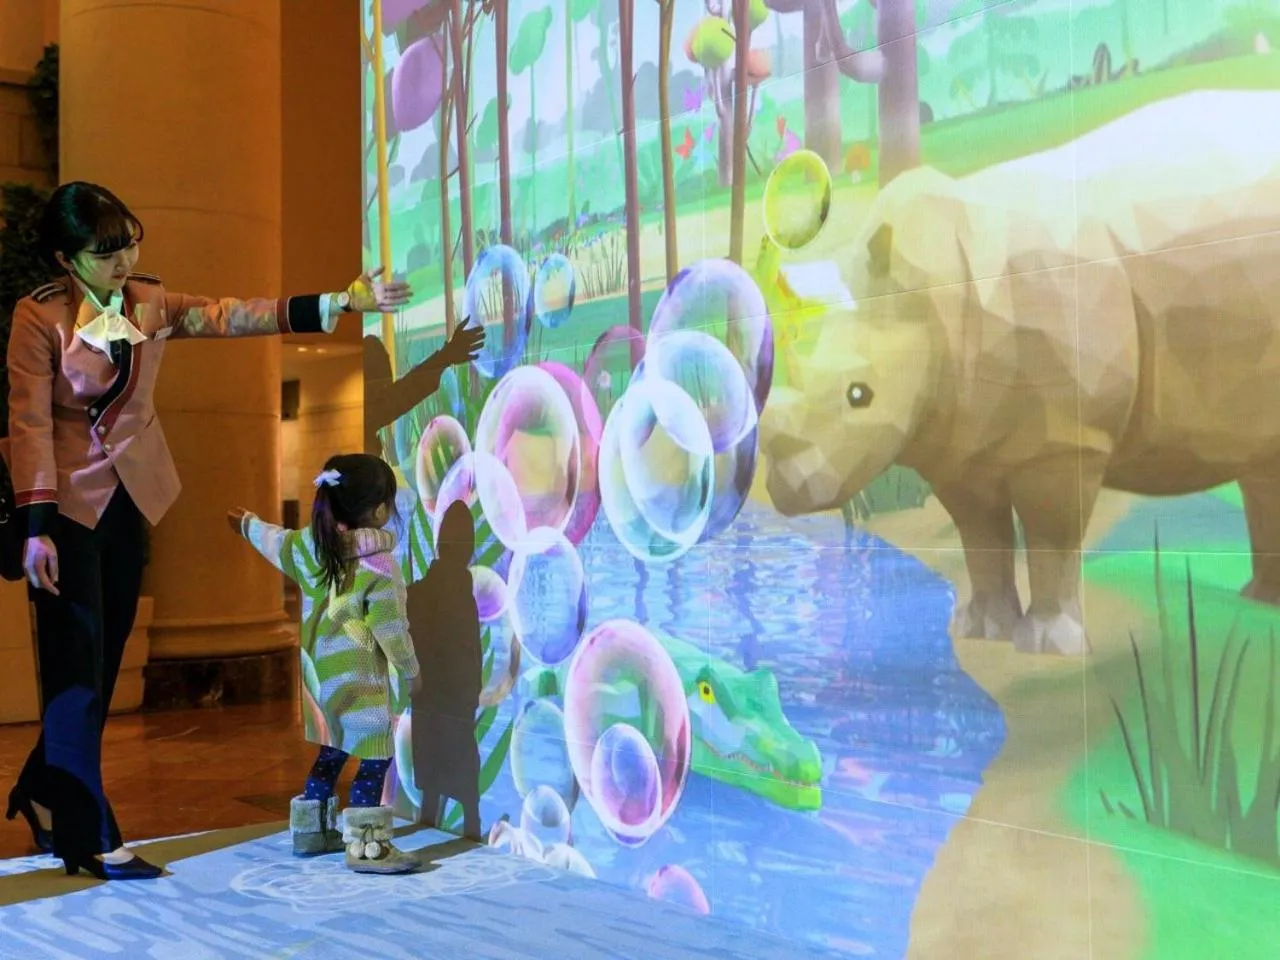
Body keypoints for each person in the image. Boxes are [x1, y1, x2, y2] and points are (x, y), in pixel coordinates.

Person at [1, 181, 411, 881]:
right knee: (76, 676)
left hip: (129, 501)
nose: (125, 258)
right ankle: (88, 835)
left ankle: (43, 790)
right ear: (69, 259)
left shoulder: (149, 303)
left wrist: (339, 303)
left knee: (100, 666)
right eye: (106, 252)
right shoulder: (39, 318)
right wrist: (36, 527)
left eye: (130, 240)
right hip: (63, 513)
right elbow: (31, 422)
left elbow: (230, 316)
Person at [230, 453, 421, 874]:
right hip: (363, 686)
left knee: (331, 752)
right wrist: (411, 671)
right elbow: (391, 631)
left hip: (320, 686)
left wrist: (245, 524)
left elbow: (272, 538)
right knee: (374, 759)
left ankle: (311, 831)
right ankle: (368, 846)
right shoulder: (378, 565)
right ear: (379, 510)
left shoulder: (305, 549)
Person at [410, 499, 483, 841]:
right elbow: (467, 649)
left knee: (432, 778)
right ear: (468, 547)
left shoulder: (420, 590)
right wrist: (472, 693)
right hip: (456, 698)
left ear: (439, 543)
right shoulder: (461, 590)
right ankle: (471, 838)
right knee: (466, 783)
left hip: (427, 694)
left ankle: (425, 830)